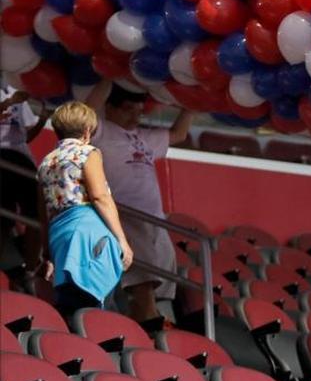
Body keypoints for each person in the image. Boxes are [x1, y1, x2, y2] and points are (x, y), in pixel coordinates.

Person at [86, 81, 193, 325]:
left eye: (139, 110)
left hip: (156, 219)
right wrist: (108, 78)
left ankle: (146, 322)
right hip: (125, 215)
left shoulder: (143, 137)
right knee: (142, 279)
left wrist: (192, 103)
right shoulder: (100, 131)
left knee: (162, 277)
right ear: (110, 108)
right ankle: (151, 323)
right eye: (127, 109)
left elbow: (179, 134)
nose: (135, 115)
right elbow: (86, 113)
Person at [36, 101, 134, 320]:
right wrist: (122, 240)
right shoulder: (87, 152)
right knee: (99, 304)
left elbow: (43, 215)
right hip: (88, 234)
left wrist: (47, 254)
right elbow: (100, 197)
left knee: (71, 305)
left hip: (59, 235)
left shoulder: (45, 163)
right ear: (88, 130)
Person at [1, 85, 51, 286]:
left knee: (37, 214)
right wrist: (8, 104)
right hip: (2, 157)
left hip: (23, 159)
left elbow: (24, 136)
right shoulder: (13, 96)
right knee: (4, 217)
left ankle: (30, 270)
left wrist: (43, 119)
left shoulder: (13, 87)